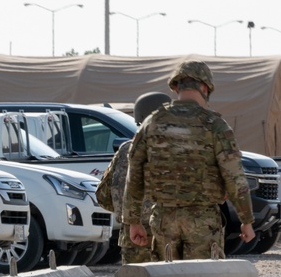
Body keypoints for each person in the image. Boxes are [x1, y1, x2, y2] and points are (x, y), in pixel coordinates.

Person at [124, 61, 255, 261]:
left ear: (176, 87)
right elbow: (234, 176)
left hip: (163, 219)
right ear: (205, 87)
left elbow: (134, 173)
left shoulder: (152, 122)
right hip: (202, 220)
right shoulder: (215, 125)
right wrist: (246, 220)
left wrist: (132, 221)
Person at [95, 91, 171, 264]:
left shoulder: (125, 150)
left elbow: (103, 196)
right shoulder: (175, 150)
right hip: (168, 233)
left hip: (133, 236)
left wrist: (128, 216)